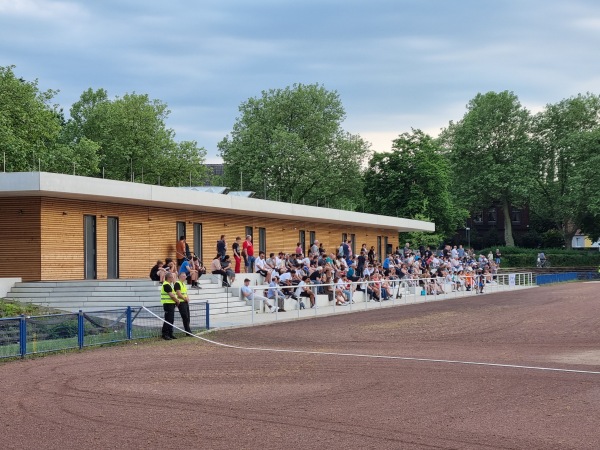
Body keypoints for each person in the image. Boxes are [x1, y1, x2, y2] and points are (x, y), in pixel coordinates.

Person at [160, 272, 179, 340]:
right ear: (169, 278)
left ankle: (170, 333)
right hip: (168, 304)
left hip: (171, 304)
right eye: (172, 277)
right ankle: (165, 334)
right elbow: (171, 295)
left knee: (171, 319)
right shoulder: (166, 285)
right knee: (168, 320)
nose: (173, 278)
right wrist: (177, 300)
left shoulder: (169, 285)